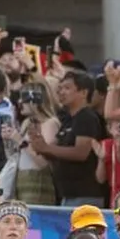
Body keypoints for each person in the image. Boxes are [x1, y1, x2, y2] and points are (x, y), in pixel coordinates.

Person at [33, 71, 105, 206]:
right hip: (67, 194)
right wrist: (41, 147)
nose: (61, 92)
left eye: (67, 88)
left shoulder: (87, 117)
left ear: (83, 93)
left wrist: (47, 148)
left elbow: (81, 153)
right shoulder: (67, 120)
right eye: (60, 88)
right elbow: (56, 151)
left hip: (85, 195)